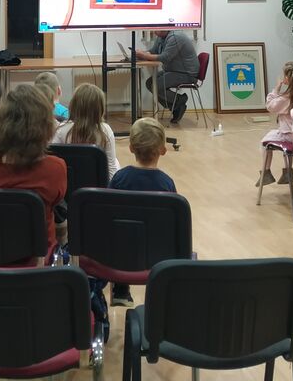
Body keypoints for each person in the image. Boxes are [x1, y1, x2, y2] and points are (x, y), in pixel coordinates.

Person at [0, 84, 67, 252]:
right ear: (45, 126)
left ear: (0, 120)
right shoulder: (54, 168)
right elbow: (56, 203)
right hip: (36, 257)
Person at [107, 116, 176, 307]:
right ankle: (161, 293)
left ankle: (121, 290)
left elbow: (109, 215)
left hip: (122, 252)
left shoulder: (119, 178)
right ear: (163, 150)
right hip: (158, 253)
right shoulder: (166, 184)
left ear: (131, 148)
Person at [257, 61, 293, 187]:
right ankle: (288, 171)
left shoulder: (287, 98)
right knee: (281, 140)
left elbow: (270, 106)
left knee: (264, 142)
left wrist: (276, 89)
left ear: (288, 78)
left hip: (289, 135)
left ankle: (266, 172)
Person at [51, 83, 121, 179]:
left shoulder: (62, 130)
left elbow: (52, 159)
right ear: (100, 108)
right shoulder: (105, 130)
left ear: (73, 105)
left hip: (69, 183)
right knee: (115, 162)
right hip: (97, 184)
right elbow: (111, 169)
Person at [135, 30, 199, 123]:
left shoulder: (175, 37)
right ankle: (176, 107)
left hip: (186, 74)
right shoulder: (161, 37)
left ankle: (179, 101)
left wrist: (144, 55)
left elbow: (164, 58)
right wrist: (141, 54)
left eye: (156, 28)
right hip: (173, 71)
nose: (154, 31)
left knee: (156, 86)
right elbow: (153, 51)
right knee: (149, 83)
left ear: (165, 28)